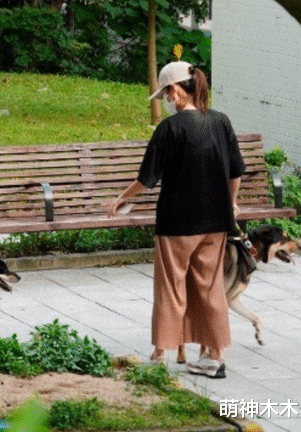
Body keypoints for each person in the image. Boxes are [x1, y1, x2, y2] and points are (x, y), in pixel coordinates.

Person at [105, 61, 245, 378]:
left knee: (170, 288)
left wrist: (120, 199)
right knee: (211, 289)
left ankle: (158, 357)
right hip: (216, 222)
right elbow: (236, 171)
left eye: (166, 94)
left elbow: (147, 179)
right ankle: (214, 358)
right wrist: (232, 203)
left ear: (175, 90)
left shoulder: (169, 129)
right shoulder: (221, 122)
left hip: (177, 223)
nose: (166, 101)